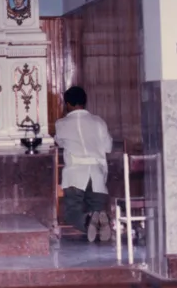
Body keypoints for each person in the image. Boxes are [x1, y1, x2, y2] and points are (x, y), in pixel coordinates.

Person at [55, 86, 113, 242]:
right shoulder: (99, 122)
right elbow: (108, 147)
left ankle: (88, 220)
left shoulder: (61, 124)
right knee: (96, 205)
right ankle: (98, 214)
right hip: (97, 174)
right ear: (84, 102)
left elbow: (59, 142)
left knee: (71, 212)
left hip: (74, 175)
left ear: (67, 104)